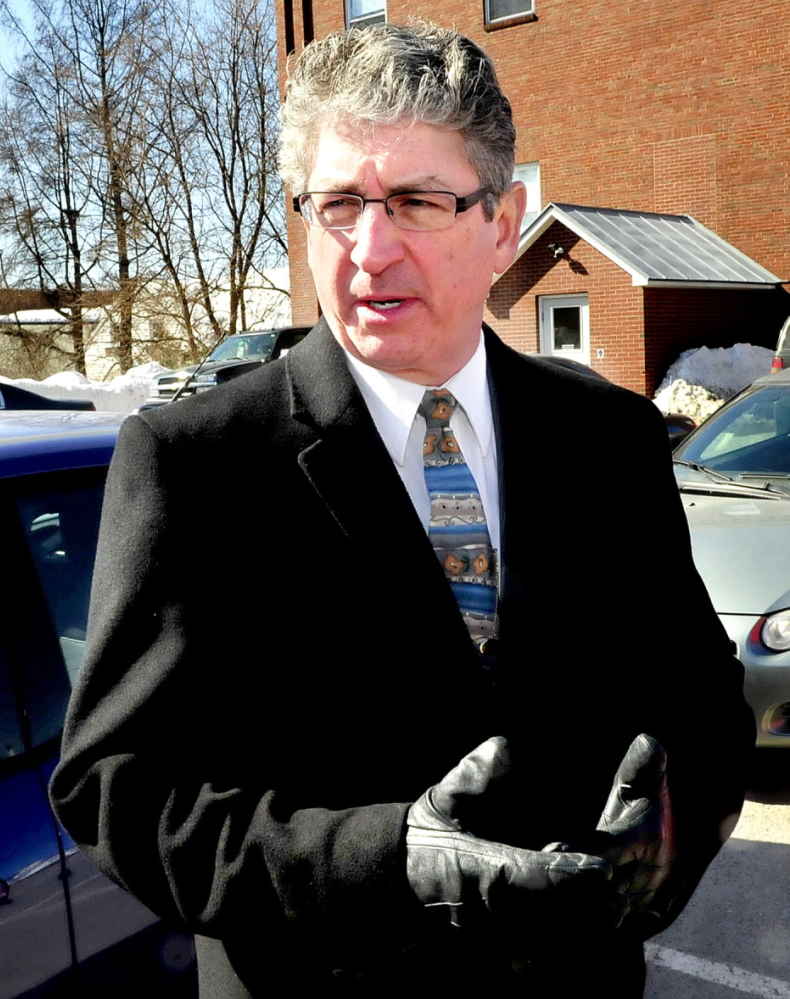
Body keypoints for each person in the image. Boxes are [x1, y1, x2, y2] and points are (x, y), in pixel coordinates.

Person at [50, 22, 753, 998]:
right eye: (339, 203)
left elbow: (703, 705)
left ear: (502, 225)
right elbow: (119, 791)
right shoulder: (194, 464)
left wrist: (661, 841)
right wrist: (385, 862)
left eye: (417, 201)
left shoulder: (610, 438)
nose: (369, 250)